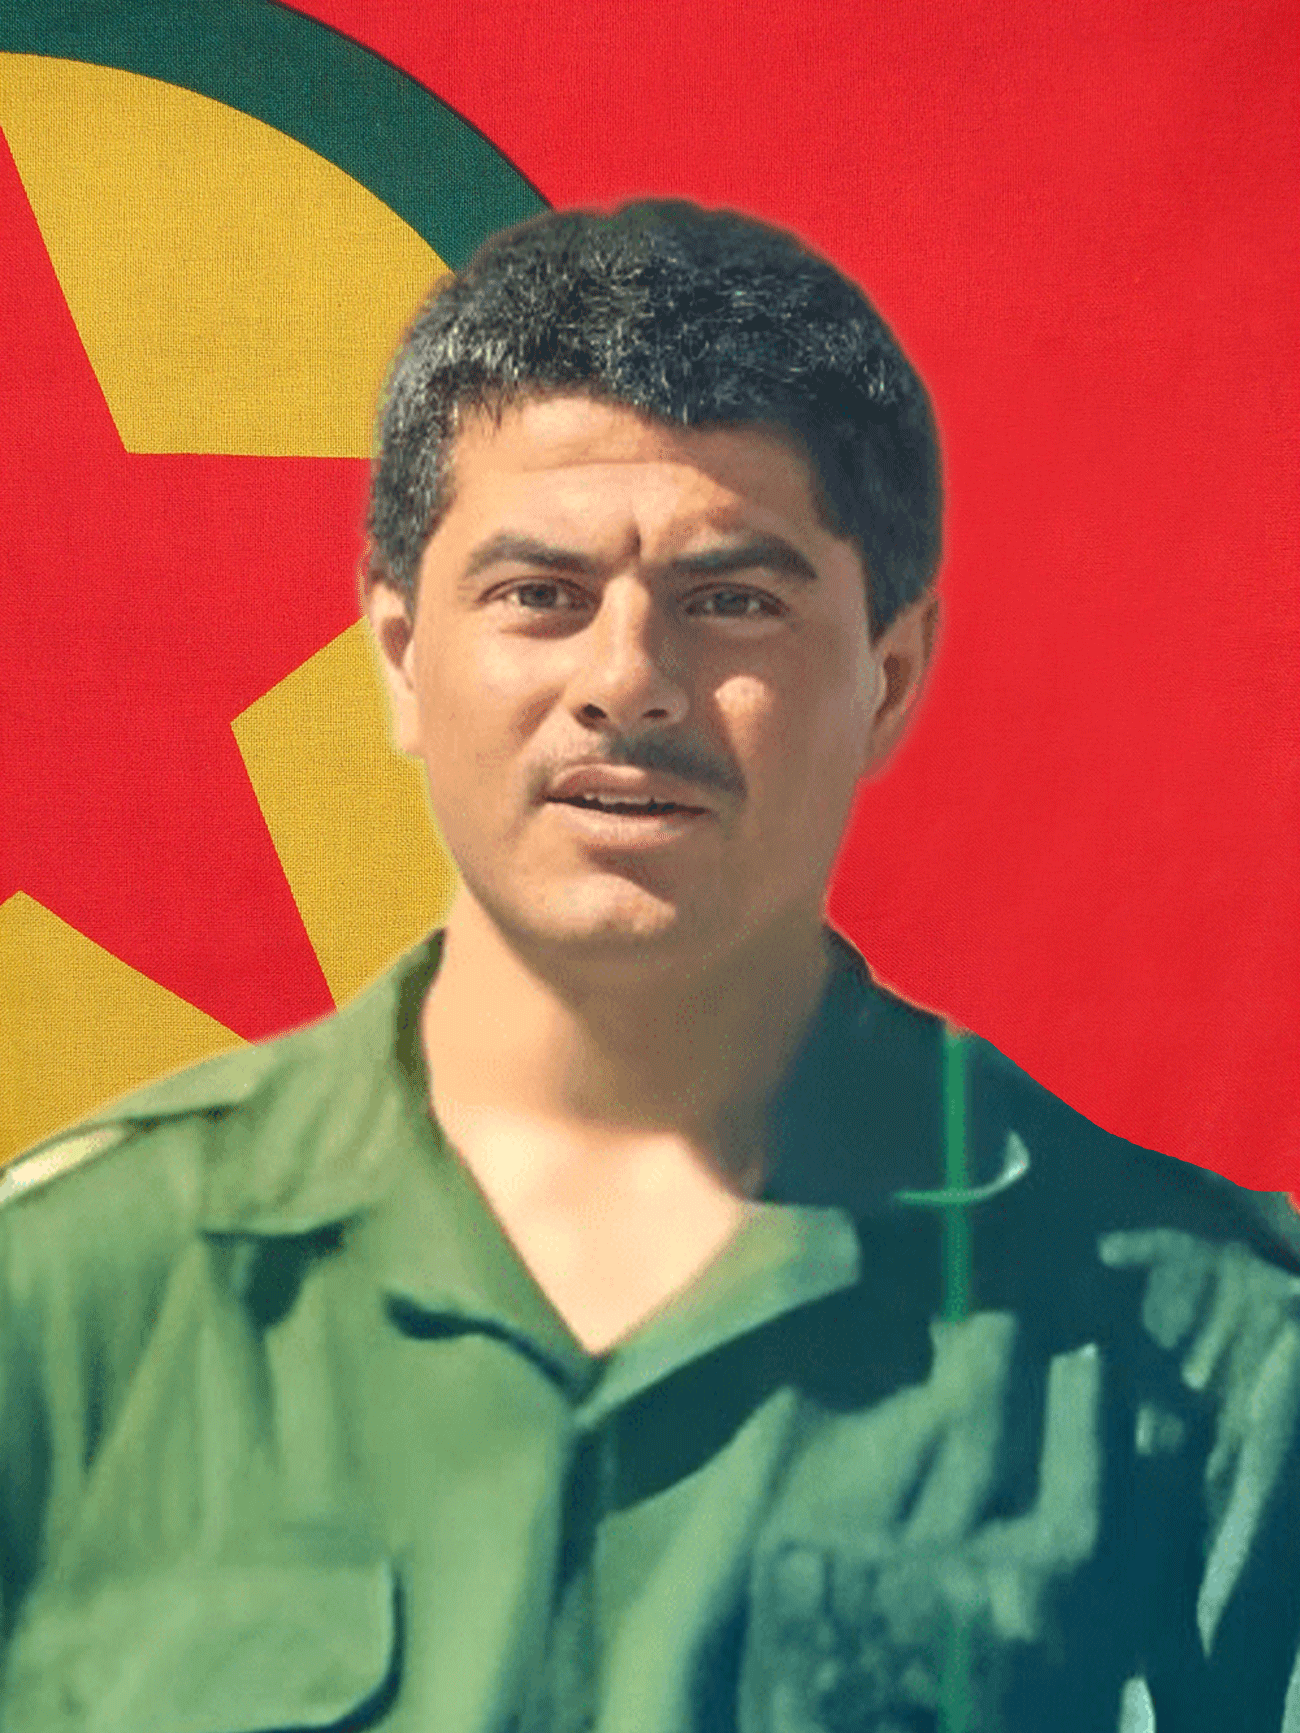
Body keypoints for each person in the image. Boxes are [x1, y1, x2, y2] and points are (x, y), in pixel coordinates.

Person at [1, 200, 1297, 1733]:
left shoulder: (1212, 1361)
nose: (627, 681)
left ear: (888, 678)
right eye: (539, 596)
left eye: (732, 601)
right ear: (401, 656)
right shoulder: (71, 1301)